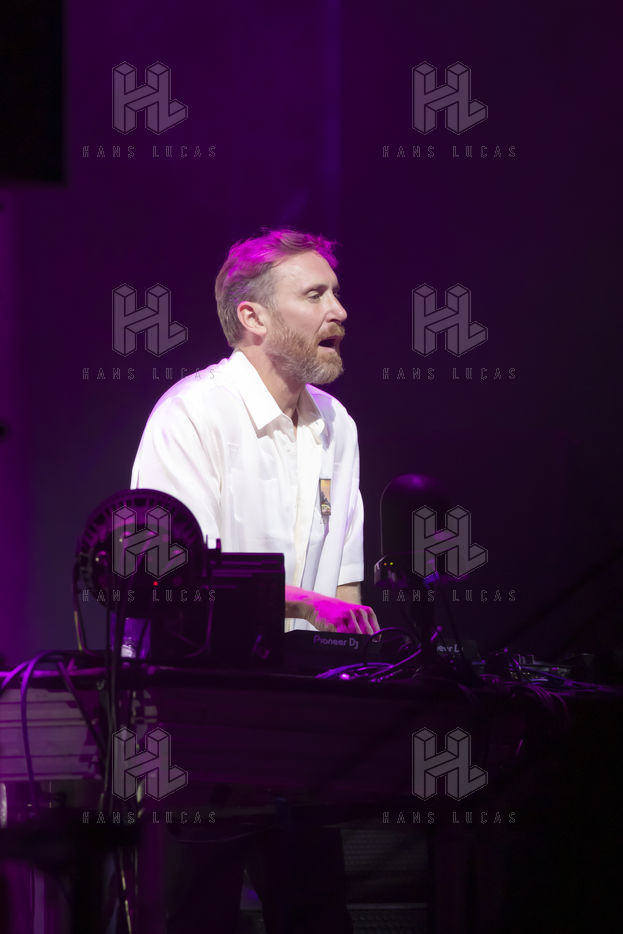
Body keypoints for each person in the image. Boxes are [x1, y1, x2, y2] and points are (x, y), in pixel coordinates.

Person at [129, 228, 380, 933]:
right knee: (194, 912)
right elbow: (174, 577)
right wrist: (311, 607)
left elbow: (346, 588)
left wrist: (358, 673)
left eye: (335, 293)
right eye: (315, 294)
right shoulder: (192, 412)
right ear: (254, 316)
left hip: (298, 715)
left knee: (315, 911)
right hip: (195, 714)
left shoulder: (337, 425)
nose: (339, 310)